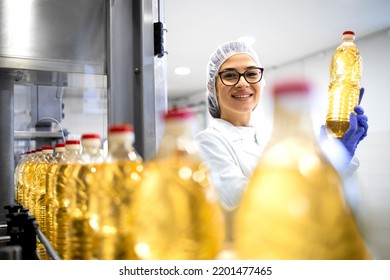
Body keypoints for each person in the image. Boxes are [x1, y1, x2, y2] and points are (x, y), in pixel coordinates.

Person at [194, 40, 369, 212]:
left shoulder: (266, 139)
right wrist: (320, 165)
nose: (242, 83)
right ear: (212, 87)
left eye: (252, 74)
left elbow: (323, 202)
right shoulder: (206, 142)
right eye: (229, 75)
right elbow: (242, 200)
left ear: (261, 82)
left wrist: (335, 156)